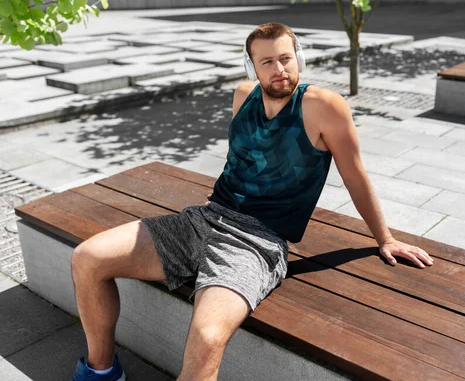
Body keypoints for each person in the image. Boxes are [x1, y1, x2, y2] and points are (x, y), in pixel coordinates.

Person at [69, 22, 434, 381]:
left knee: (208, 338)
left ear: (299, 60)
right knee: (87, 259)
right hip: (204, 220)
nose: (280, 70)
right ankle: (102, 371)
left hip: (256, 244)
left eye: (286, 59)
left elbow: (355, 177)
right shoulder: (243, 97)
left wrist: (385, 238)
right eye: (267, 62)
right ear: (251, 67)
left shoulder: (324, 107)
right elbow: (245, 162)